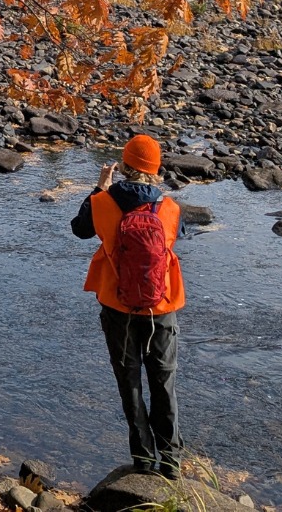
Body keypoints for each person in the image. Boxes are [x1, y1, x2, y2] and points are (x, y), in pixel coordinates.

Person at [71, 133, 185, 478]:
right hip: (161, 308)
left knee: (129, 381)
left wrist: (98, 188)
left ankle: (143, 459)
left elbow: (79, 230)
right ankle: (170, 461)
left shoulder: (103, 203)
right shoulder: (170, 208)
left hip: (117, 306)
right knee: (164, 383)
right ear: (155, 170)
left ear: (123, 166)